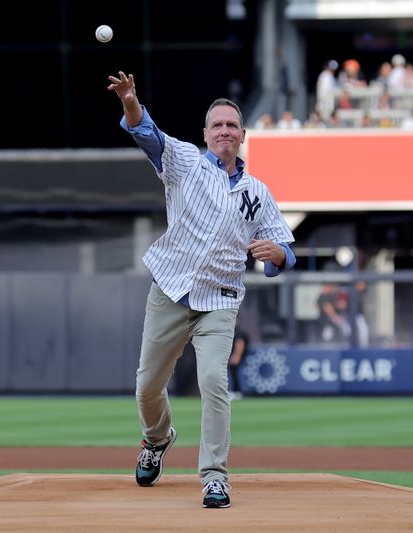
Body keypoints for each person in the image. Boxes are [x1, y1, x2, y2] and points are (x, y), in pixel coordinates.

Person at [107, 70, 296, 509]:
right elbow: (146, 132)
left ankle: (214, 477)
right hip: (170, 290)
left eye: (232, 125)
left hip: (220, 301)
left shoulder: (257, 192)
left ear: (243, 134)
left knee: (214, 380)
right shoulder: (185, 162)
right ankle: (157, 439)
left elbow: (286, 248)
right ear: (206, 134)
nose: (225, 131)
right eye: (218, 125)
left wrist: (280, 256)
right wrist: (130, 100)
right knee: (147, 387)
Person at [228, 325, 249, 400]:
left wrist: (237, 355)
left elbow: (240, 343)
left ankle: (236, 391)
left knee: (234, 373)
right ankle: (234, 391)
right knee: (232, 372)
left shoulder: (239, 333)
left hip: (235, 356)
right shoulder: (232, 331)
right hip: (232, 355)